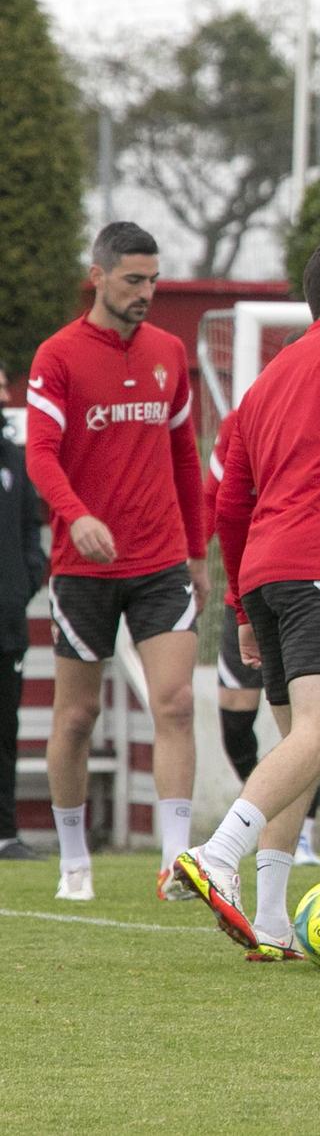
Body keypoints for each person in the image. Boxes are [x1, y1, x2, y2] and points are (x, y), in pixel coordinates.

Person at [176, 237, 320, 960]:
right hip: (318, 566)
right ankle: (218, 855)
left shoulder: (266, 381)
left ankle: (274, 924)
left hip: (269, 576)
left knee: (296, 749)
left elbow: (230, 504)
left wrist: (245, 606)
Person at [25, 222, 206, 903]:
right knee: (76, 718)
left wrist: (198, 550)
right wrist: (80, 514)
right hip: (84, 567)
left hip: (161, 561)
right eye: (134, 280)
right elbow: (41, 453)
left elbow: (185, 455)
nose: (147, 293)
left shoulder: (168, 353)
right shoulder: (58, 357)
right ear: (96, 276)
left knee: (177, 703)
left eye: (154, 281)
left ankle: (177, 863)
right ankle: (74, 860)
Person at [204, 409, 320, 867]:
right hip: (247, 591)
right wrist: (197, 558)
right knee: (237, 723)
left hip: (308, 585)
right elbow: (219, 500)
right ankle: (247, 830)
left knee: (310, 726)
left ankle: (301, 837)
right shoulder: (245, 421)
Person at [0, 364, 49, 861]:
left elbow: (30, 531)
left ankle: (4, 833)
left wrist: (24, 583)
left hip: (7, 622)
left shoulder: (13, 455)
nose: (4, 392)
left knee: (5, 730)